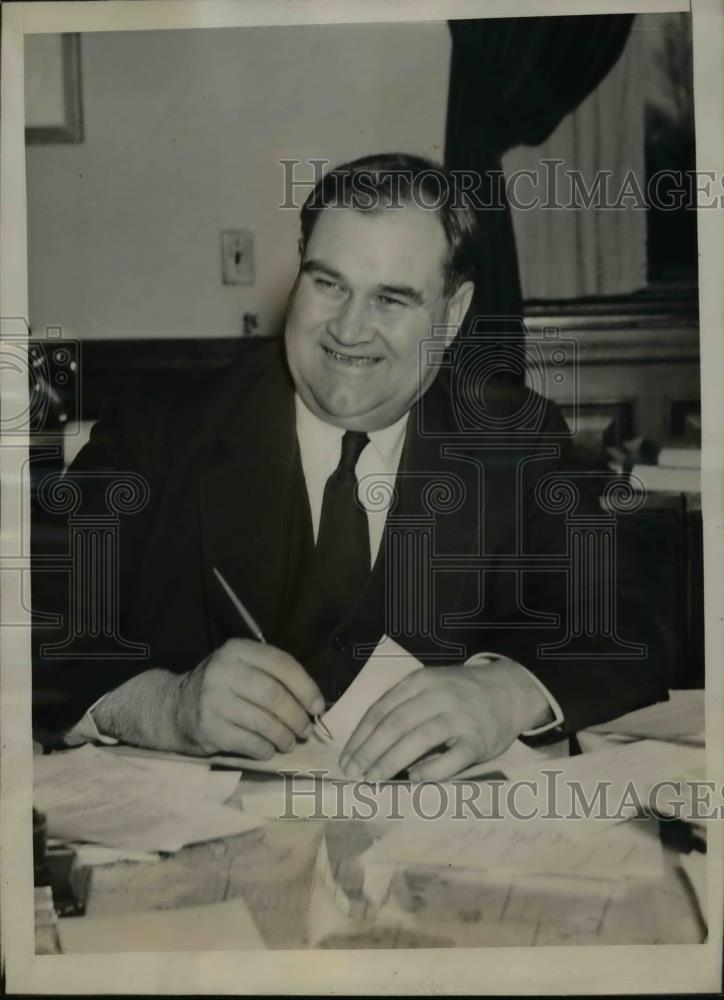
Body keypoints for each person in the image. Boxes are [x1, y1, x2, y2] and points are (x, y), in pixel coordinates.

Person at [32, 154, 667, 781]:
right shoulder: (161, 433)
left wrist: (509, 692)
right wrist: (161, 707)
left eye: (391, 299)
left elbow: (635, 611)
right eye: (328, 283)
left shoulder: (518, 439)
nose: (348, 329)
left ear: (450, 315)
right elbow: (30, 619)